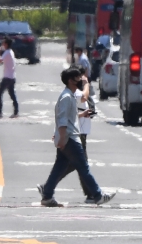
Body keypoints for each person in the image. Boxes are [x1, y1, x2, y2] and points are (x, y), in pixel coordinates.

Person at [37, 67, 116, 207]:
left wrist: (82, 114)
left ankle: (47, 195)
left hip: (67, 137)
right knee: (83, 168)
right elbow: (62, 119)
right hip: (70, 138)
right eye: (77, 78)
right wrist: (61, 137)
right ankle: (98, 195)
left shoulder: (70, 96)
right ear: (70, 80)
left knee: (59, 168)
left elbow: (69, 117)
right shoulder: (67, 97)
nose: (80, 80)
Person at [55, 65, 94, 204]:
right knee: (81, 164)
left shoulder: (72, 93)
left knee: (71, 164)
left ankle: (48, 187)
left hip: (78, 131)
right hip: (76, 133)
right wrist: (86, 84)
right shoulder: (73, 93)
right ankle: (94, 194)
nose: (81, 79)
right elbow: (84, 97)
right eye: (79, 77)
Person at [0, 36, 19, 118]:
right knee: (12, 94)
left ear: (6, 44)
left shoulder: (7, 52)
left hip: (7, 77)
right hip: (12, 77)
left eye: (3, 43)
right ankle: (16, 112)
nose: (2, 44)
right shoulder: (11, 52)